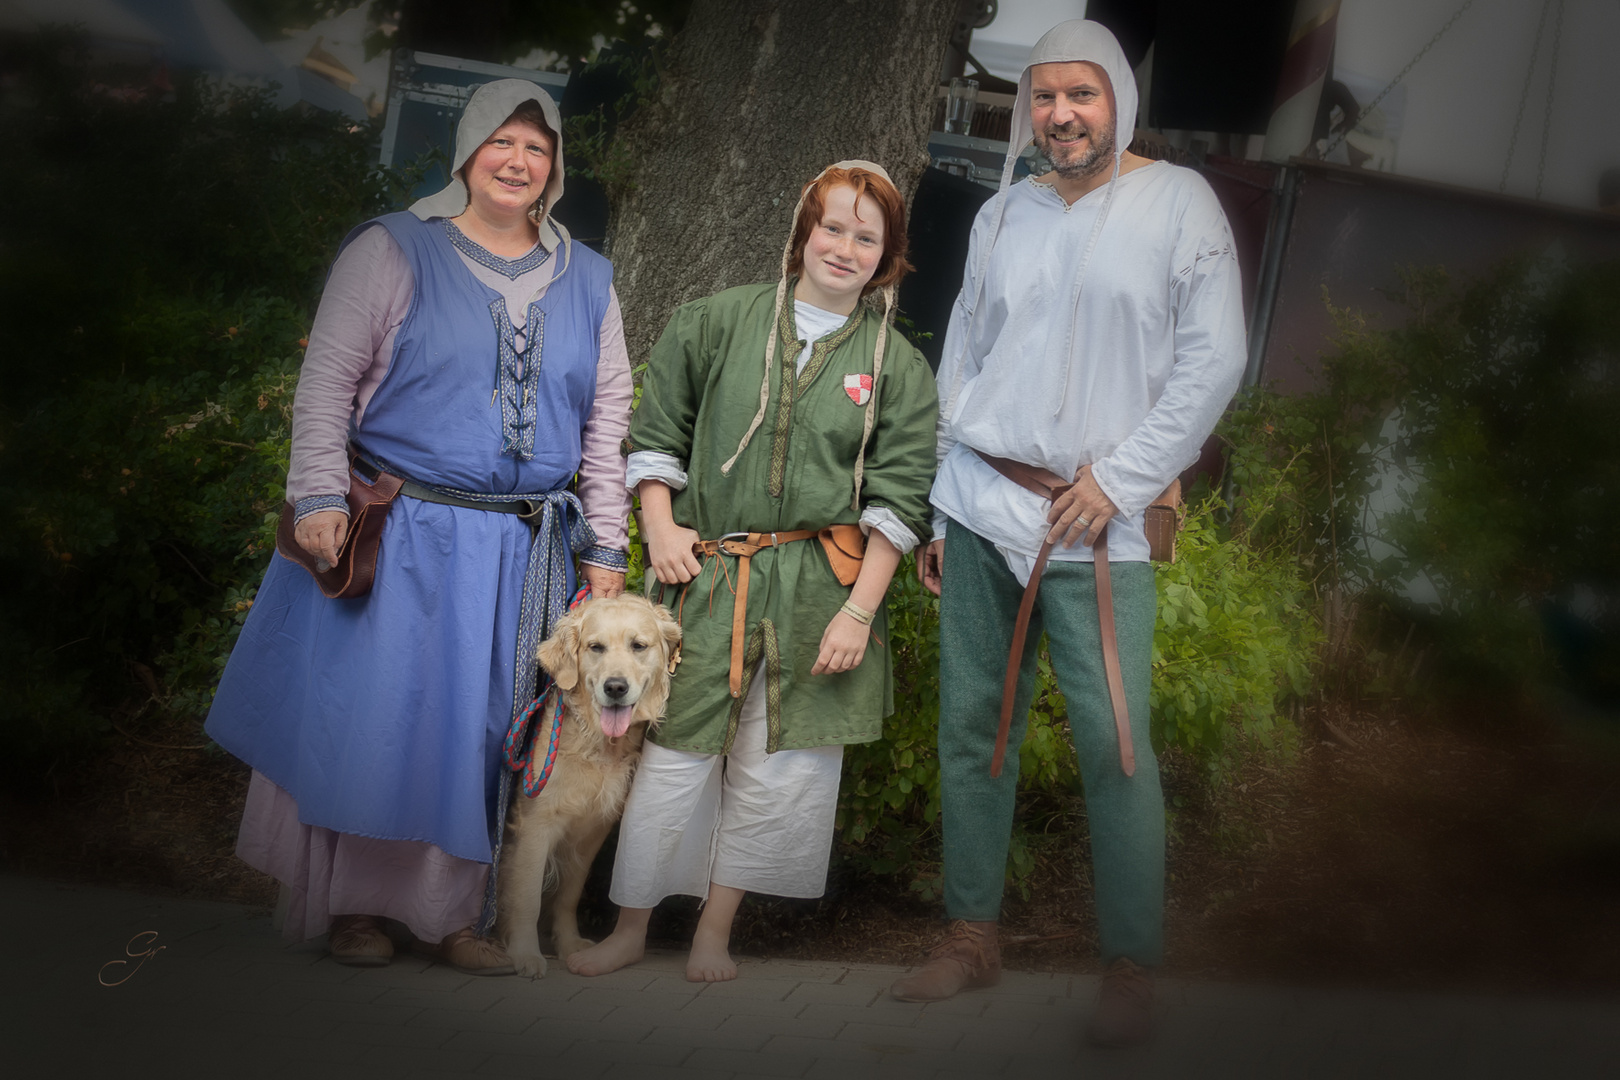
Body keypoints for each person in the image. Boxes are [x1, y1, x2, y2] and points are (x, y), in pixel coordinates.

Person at [205, 79, 632, 974]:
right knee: (383, 726)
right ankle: (358, 913)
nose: (518, 162)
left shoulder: (590, 278)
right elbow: (327, 379)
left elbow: (606, 423)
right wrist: (321, 495)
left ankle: (456, 920)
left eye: (537, 149)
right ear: (468, 151)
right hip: (406, 537)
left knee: (483, 736)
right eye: (501, 144)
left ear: (554, 167)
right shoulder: (393, 248)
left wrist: (605, 545)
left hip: (525, 554)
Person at [887, 21, 1246, 1048]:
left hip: (1102, 528)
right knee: (973, 733)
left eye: (1080, 94)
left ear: (1117, 101)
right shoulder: (1004, 213)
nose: (1060, 115)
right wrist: (943, 507)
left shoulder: (1179, 205)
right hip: (983, 502)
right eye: (1044, 97)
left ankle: (1130, 964)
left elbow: (1212, 361)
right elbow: (964, 360)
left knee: (1116, 746)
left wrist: (1122, 483)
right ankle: (970, 936)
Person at [566, 161, 938, 983]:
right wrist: (659, 529)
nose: (844, 247)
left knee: (782, 774)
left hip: (820, 590)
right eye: (832, 226)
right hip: (706, 576)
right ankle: (632, 929)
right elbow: (656, 433)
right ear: (803, 229)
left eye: (866, 237)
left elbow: (900, 496)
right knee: (675, 759)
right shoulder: (716, 321)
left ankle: (713, 935)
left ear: (889, 256)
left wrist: (859, 613)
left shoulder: (897, 366)